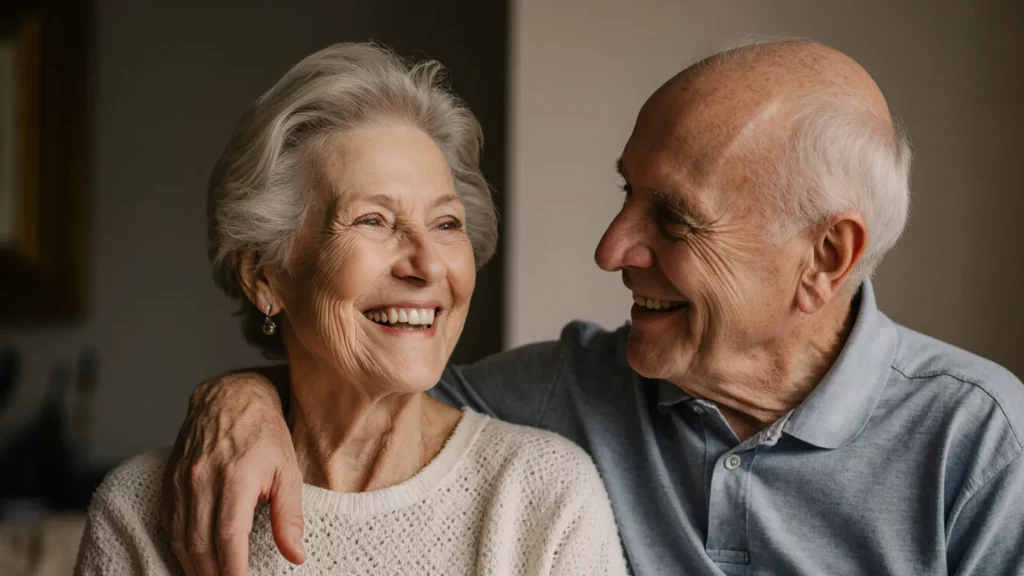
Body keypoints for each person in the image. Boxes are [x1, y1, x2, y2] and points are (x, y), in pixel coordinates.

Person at [163, 40, 1024, 575]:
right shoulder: (570, 390)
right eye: (626, 195)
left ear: (824, 258)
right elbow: (370, 380)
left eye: (673, 218)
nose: (612, 250)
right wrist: (239, 397)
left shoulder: (980, 444)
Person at [74, 43, 628, 576]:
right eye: (373, 221)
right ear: (263, 275)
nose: (428, 265)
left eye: (446, 224)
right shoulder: (143, 509)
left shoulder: (545, 498)